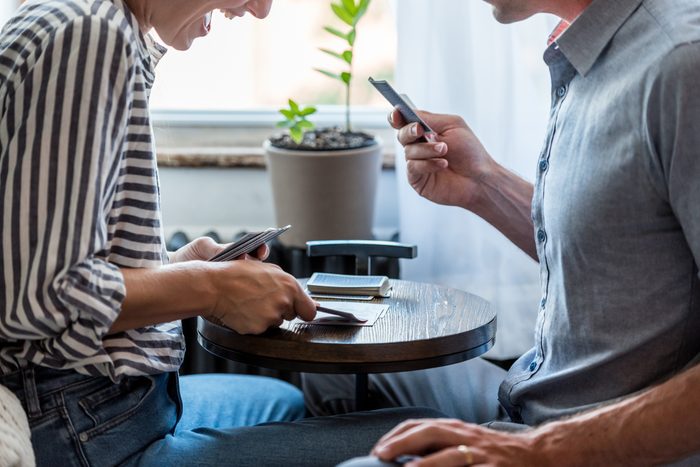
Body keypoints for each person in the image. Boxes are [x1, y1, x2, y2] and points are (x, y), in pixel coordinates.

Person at [0, 1, 441, 465]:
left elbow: (40, 258)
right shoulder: (90, 36)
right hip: (81, 426)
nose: (261, 8)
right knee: (428, 438)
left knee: (281, 401)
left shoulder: (79, 20)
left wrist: (179, 265)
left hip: (103, 405)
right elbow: (42, 297)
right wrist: (208, 288)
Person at [306, 0, 700, 464]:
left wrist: (535, 451)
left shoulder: (681, 62)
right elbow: (610, 249)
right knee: (331, 367)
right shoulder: (592, 51)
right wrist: (481, 183)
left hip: (594, 436)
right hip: (530, 401)